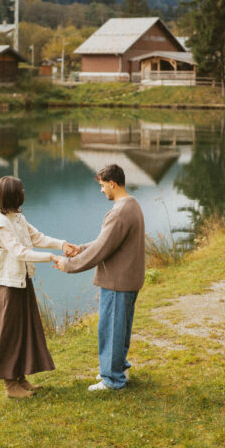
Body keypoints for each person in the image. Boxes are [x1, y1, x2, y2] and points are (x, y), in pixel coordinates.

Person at [52, 164, 145, 391]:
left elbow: (102, 249)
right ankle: (119, 370)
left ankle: (113, 380)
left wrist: (69, 264)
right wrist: (81, 249)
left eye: (103, 186)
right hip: (128, 279)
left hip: (117, 281)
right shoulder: (132, 205)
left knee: (111, 330)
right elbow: (107, 243)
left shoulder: (119, 212)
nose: (101, 191)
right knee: (120, 329)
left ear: (112, 183)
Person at [0, 175, 69, 399]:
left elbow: (36, 237)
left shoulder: (16, 217)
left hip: (20, 281)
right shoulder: (0, 223)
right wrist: (51, 258)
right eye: (21, 190)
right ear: (13, 195)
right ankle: (10, 385)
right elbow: (20, 252)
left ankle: (20, 378)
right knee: (9, 333)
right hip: (7, 286)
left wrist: (62, 244)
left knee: (23, 330)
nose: (24, 192)